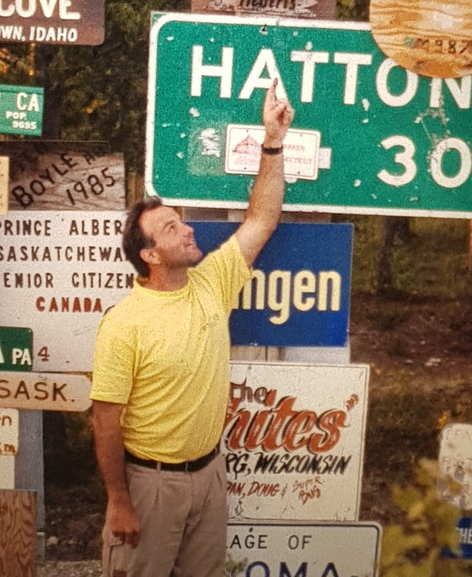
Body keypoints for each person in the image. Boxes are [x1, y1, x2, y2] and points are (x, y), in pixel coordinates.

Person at [90, 78, 295, 577]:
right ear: (149, 255)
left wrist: (272, 142)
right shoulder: (124, 324)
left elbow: (262, 218)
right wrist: (119, 499)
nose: (186, 230)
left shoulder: (211, 283)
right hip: (150, 486)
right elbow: (104, 419)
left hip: (209, 474)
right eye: (170, 228)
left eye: (181, 221)